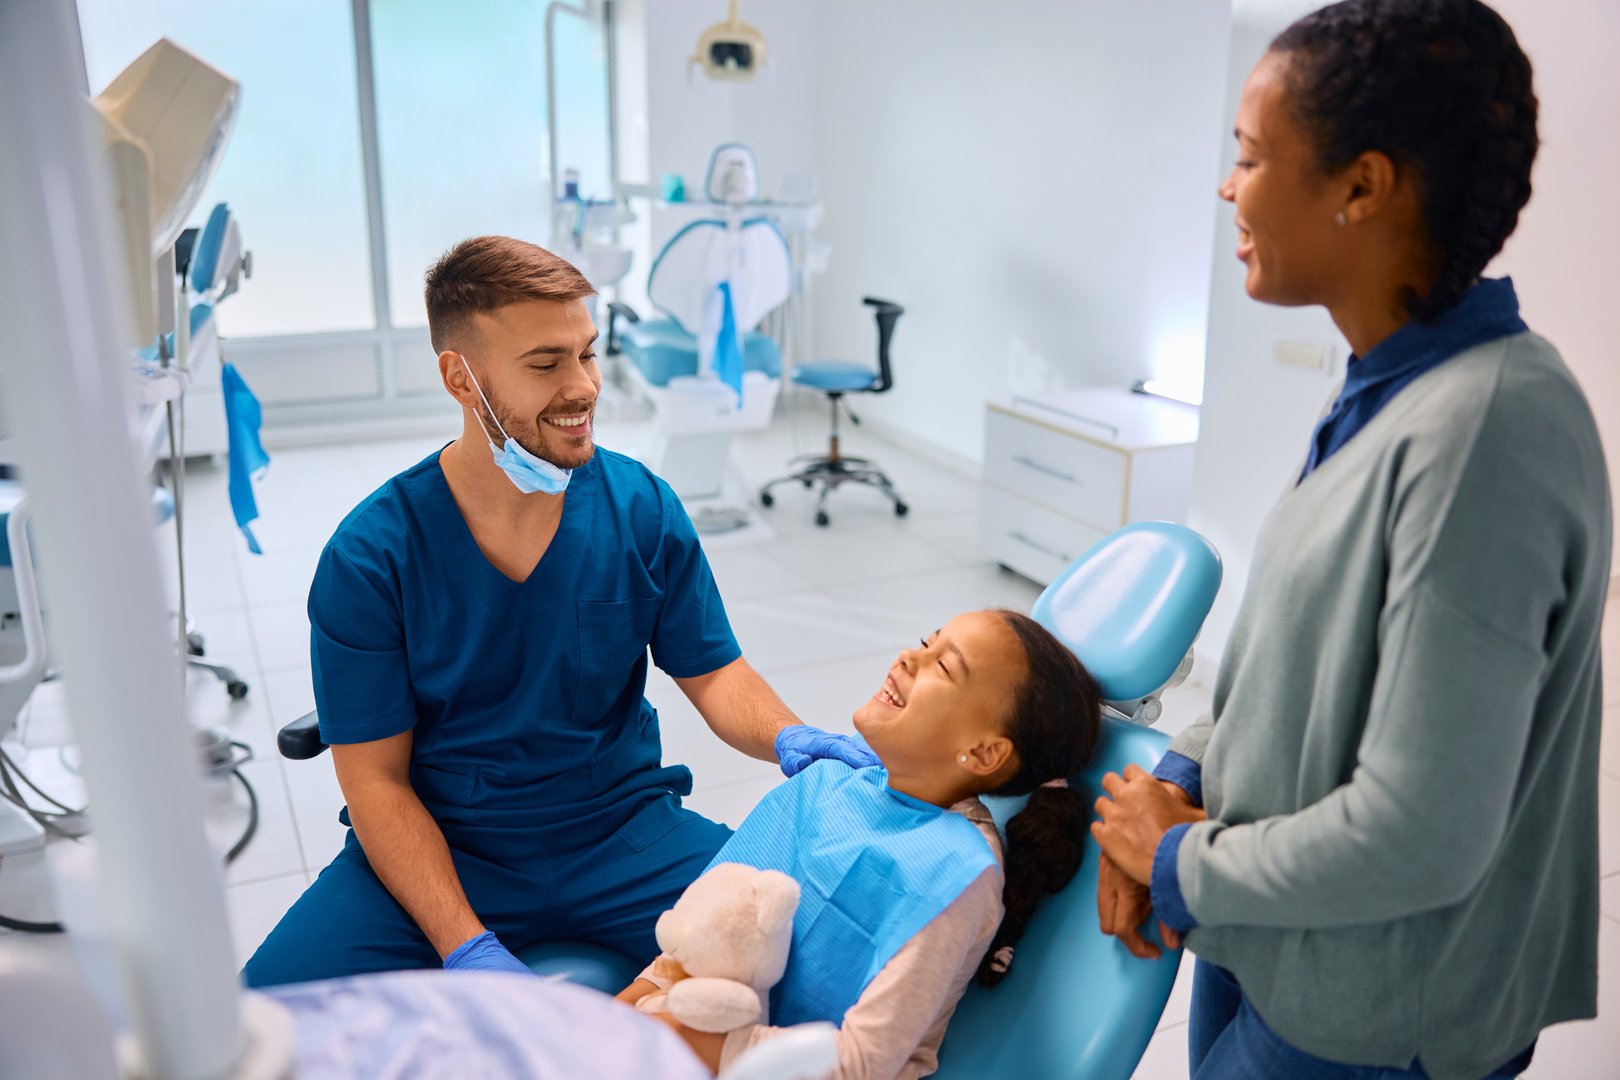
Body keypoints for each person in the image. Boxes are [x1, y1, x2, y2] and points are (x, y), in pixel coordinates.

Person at [1090, 3, 1611, 1079]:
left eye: (1248, 158)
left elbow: (1419, 830)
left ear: (1362, 187)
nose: (1228, 188)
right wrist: (1182, 777)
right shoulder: (1393, 387)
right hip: (1279, 946)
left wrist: (1178, 854)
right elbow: (1298, 649)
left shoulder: (1483, 434)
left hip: (1376, 1020)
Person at [243, 236, 874, 988]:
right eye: (546, 364)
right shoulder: (373, 556)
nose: (584, 387)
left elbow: (714, 672)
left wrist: (788, 735)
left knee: (819, 963)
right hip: (447, 847)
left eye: (588, 353)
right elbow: (376, 783)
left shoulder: (639, 507)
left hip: (620, 835)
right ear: (461, 378)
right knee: (266, 1018)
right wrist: (463, 943)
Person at [619, 609, 1102, 1079]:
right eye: (925, 643)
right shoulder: (827, 782)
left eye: (943, 666)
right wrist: (625, 1009)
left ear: (982, 752)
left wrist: (706, 1043)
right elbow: (703, 935)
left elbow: (860, 1064)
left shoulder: (958, 873)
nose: (907, 658)